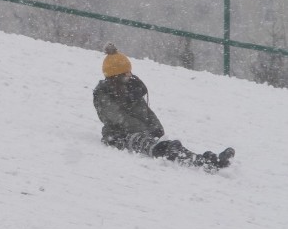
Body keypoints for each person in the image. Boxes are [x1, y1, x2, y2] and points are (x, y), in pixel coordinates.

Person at [93, 43, 234, 171]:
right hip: (117, 135)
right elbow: (117, 118)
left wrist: (155, 128)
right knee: (158, 147)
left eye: (129, 72)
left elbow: (144, 111)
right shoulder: (103, 93)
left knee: (168, 146)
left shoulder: (130, 89)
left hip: (140, 131)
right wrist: (144, 130)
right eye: (126, 73)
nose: (130, 75)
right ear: (116, 75)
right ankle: (200, 163)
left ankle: (205, 160)